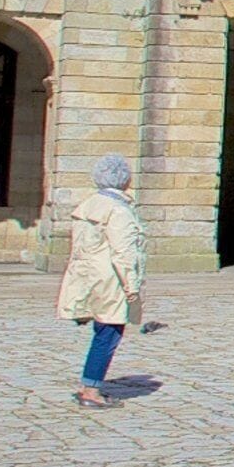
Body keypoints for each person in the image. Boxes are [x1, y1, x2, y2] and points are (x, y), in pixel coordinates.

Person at [59, 156, 146, 409]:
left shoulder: (88, 205)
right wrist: (132, 287)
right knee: (109, 334)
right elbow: (123, 253)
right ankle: (91, 390)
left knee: (103, 332)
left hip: (90, 276)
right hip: (111, 279)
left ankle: (88, 385)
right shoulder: (119, 211)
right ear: (125, 179)